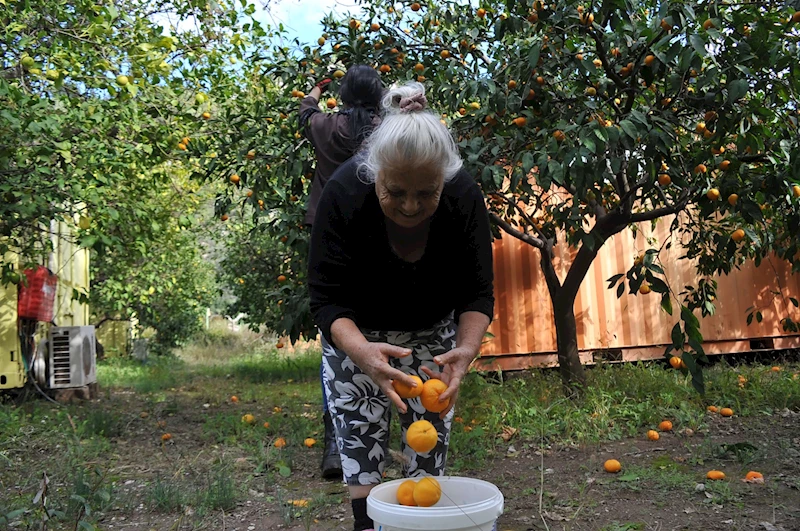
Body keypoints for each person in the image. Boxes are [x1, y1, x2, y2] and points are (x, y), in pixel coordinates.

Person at [307, 81, 494, 531]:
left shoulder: (463, 196)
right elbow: (326, 299)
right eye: (395, 192)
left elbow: (477, 291)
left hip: (432, 335)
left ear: (444, 181)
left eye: (426, 193)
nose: (411, 206)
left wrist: (465, 352)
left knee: (426, 450)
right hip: (356, 336)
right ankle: (367, 526)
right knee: (360, 445)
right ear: (374, 174)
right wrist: (363, 353)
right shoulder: (344, 193)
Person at [298, 64, 384, 480]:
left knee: (336, 334)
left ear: (345, 95)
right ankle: (391, 435)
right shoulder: (389, 129)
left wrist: (316, 89)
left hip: (331, 238)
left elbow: (304, 114)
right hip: (381, 238)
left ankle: (337, 445)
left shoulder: (328, 127)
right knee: (386, 331)